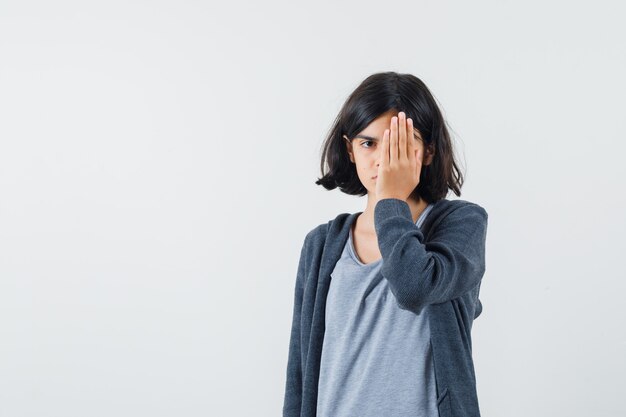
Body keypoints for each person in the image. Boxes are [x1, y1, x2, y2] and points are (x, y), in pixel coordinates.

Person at [282, 71, 489, 417]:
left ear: (427, 152)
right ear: (349, 149)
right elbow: (299, 371)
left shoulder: (461, 225)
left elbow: (413, 286)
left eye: (400, 145)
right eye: (369, 143)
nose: (383, 159)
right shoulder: (321, 246)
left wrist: (390, 199)